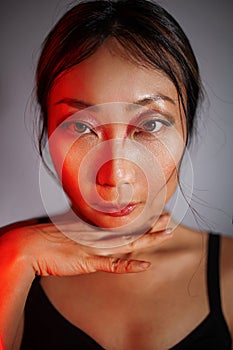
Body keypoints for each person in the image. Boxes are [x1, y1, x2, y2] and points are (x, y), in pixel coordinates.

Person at [0, 0, 232, 349]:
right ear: (48, 130)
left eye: (150, 125)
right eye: (81, 126)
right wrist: (12, 262)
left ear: (187, 126)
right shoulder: (8, 262)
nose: (116, 175)